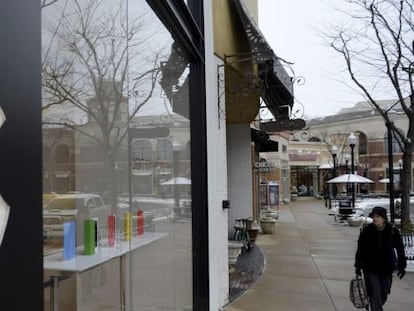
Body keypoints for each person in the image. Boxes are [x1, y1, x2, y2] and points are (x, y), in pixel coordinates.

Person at [354, 206, 407, 310]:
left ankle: (375, 305)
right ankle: (375, 306)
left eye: (378, 216)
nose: (375, 219)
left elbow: (400, 249)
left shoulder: (392, 231)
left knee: (384, 293)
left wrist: (402, 266)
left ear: (384, 218)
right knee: (375, 294)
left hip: (386, 268)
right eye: (374, 216)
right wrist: (358, 266)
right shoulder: (367, 232)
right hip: (370, 268)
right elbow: (360, 249)